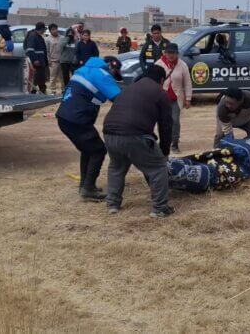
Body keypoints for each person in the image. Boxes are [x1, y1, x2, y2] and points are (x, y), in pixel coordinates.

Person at [103, 65, 174, 218]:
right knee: (158, 168)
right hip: (134, 134)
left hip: (109, 132)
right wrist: (164, 151)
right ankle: (160, 208)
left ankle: (112, 204)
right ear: (162, 79)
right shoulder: (160, 93)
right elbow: (166, 126)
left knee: (116, 167)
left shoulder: (129, 88)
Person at [56, 56, 123, 201]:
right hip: (77, 119)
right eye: (114, 73)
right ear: (111, 67)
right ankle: (88, 189)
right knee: (98, 150)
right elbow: (120, 98)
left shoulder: (84, 70)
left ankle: (85, 185)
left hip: (65, 117)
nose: (113, 77)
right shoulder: (102, 74)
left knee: (88, 149)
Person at [155, 43, 191, 153]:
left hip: (176, 98)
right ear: (165, 53)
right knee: (162, 121)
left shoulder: (182, 65)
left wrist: (188, 98)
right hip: (162, 98)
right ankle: (163, 142)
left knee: (175, 121)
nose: (170, 55)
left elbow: (187, 83)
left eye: (173, 53)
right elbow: (154, 81)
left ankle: (175, 143)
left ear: (177, 54)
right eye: (168, 53)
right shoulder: (158, 64)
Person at [24, 22, 49, 94]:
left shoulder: (39, 37)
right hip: (36, 62)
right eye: (44, 29)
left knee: (41, 78)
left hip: (41, 62)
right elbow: (29, 50)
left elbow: (43, 51)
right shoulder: (33, 36)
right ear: (41, 29)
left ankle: (42, 91)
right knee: (36, 78)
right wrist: (34, 60)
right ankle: (32, 92)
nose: (44, 31)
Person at [45, 24, 64, 94]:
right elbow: (46, 51)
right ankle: (53, 90)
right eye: (52, 29)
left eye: (55, 29)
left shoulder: (62, 38)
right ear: (50, 31)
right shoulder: (47, 39)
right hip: (53, 62)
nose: (54, 31)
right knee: (53, 77)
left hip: (61, 61)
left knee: (62, 77)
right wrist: (48, 60)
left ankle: (63, 89)